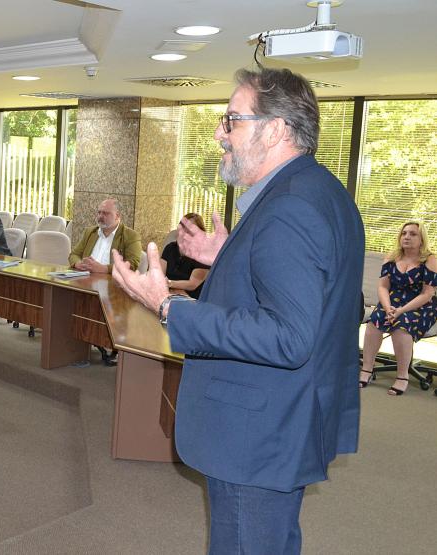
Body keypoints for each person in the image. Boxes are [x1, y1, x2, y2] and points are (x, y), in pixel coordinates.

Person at [110, 67, 364, 554]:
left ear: (275, 130)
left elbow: (289, 336)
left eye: (231, 120)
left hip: (259, 431)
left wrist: (167, 306)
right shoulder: (318, 191)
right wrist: (226, 256)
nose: (218, 133)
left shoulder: (289, 208)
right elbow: (317, 292)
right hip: (283, 419)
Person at [360, 222, 437, 395]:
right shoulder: (392, 256)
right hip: (393, 302)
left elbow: (427, 294)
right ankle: (367, 369)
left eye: (412, 234)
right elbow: (382, 287)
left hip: (421, 304)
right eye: (404, 233)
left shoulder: (430, 259)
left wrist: (400, 311)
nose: (407, 237)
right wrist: (388, 308)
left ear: (421, 239)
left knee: (401, 325)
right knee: (375, 321)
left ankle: (402, 376)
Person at [68, 198, 141, 273]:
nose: (100, 216)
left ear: (117, 216)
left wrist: (104, 269)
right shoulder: (90, 232)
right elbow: (74, 254)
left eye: (105, 213)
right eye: (99, 213)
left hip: (111, 282)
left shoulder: (131, 236)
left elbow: (132, 264)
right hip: (85, 280)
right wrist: (78, 263)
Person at [161, 213, 210, 299]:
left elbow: (193, 284)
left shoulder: (203, 254)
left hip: (191, 299)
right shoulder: (170, 248)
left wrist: (169, 284)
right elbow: (160, 274)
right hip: (168, 293)